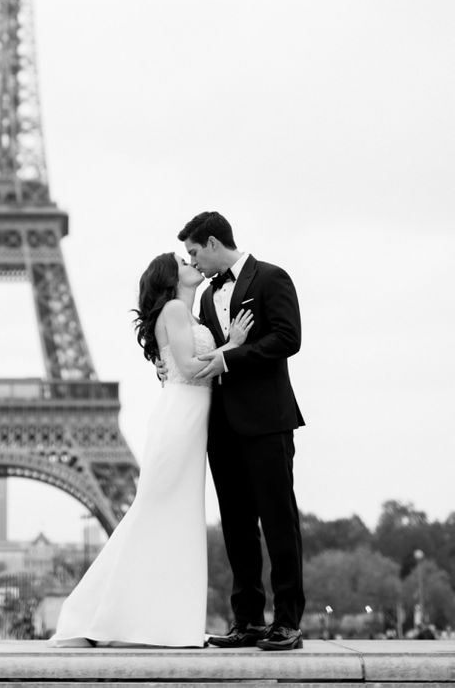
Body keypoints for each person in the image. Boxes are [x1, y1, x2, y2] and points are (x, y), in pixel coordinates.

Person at [48, 252, 253, 647]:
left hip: (190, 418)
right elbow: (191, 369)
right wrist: (235, 346)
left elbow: (181, 364)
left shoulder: (189, 314)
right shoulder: (176, 310)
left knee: (171, 517)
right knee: (155, 513)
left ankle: (151, 621)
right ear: (169, 276)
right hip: (181, 417)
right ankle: (101, 616)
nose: (190, 262)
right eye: (181, 260)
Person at [167, 211, 306, 652]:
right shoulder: (208, 296)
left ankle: (287, 621)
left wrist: (232, 358)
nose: (191, 261)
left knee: (279, 521)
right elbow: (203, 352)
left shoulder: (271, 278)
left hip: (266, 421)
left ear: (211, 243)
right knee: (237, 527)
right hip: (222, 426)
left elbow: (288, 338)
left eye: (193, 252)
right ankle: (247, 620)